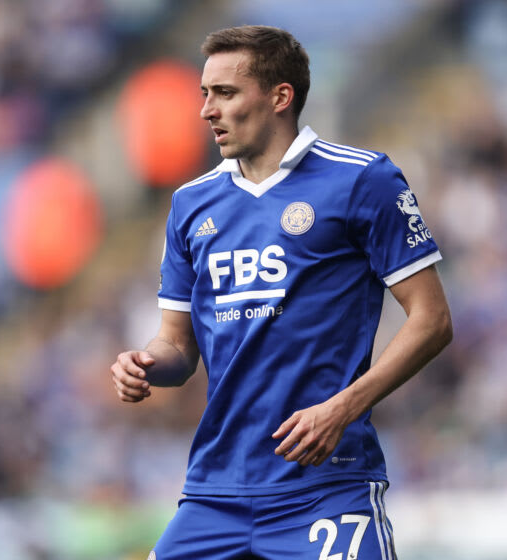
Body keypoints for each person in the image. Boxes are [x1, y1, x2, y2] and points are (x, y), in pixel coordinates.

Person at [111, 25, 452, 559]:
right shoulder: (190, 204)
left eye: (224, 93)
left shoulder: (363, 180)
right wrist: (146, 363)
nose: (206, 110)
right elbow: (177, 347)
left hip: (326, 487)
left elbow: (432, 320)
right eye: (204, 94)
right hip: (215, 492)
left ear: (280, 97)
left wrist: (342, 409)